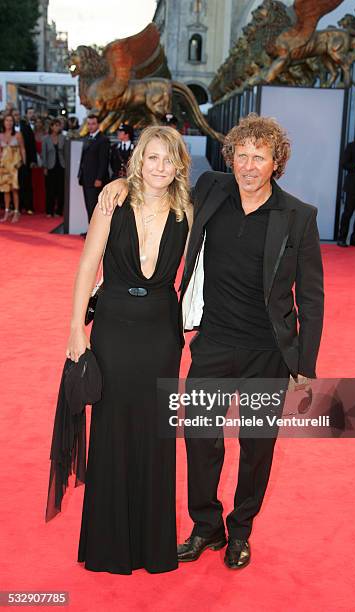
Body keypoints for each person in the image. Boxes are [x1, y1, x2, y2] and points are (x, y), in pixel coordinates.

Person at [98, 113, 325, 570]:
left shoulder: (299, 216)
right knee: (201, 439)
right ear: (231, 158)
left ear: (275, 162)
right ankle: (206, 527)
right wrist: (119, 185)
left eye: (258, 157)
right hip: (213, 342)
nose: (247, 165)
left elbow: (313, 295)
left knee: (257, 446)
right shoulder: (210, 191)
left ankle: (241, 531)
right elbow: (160, 186)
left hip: (269, 352)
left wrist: (305, 363)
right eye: (241, 155)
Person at [66, 125, 192, 574]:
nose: (159, 167)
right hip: (113, 328)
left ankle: (152, 544)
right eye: (151, 157)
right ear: (138, 160)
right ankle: (109, 544)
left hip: (161, 333)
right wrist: (75, 330)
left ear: (179, 164)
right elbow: (87, 265)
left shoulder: (187, 212)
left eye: (168, 159)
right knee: (113, 427)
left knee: (157, 433)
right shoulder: (112, 202)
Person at [77, 115, 110, 223]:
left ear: (98, 124)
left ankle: (95, 234)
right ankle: (90, 230)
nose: (90, 126)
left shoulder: (103, 140)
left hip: (96, 180)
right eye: (89, 124)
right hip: (86, 178)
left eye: (93, 124)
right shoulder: (86, 138)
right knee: (88, 206)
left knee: (95, 207)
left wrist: (99, 178)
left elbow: (103, 161)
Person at [0, 113, 26, 223]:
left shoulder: (18, 135)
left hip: (15, 165)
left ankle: (16, 211)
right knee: (6, 190)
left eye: (11, 121)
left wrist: (24, 163)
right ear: (3, 122)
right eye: (7, 120)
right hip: (4, 165)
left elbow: (23, 149)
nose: (9, 123)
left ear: (13, 122)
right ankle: (6, 211)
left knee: (15, 190)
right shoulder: (0, 135)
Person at [12, 108, 37, 214]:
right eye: (14, 115)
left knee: (27, 184)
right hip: (11, 163)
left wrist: (32, 160)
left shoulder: (26, 128)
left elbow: (32, 145)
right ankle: (16, 207)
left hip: (24, 161)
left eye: (17, 115)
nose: (16, 117)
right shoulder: (6, 129)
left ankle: (29, 207)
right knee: (13, 184)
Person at [42, 119, 66, 217]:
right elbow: (44, 154)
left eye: (58, 125)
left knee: (61, 190)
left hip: (61, 166)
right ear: (51, 127)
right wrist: (45, 167)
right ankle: (49, 211)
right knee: (50, 190)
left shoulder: (63, 138)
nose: (57, 127)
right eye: (55, 125)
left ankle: (59, 211)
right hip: (50, 166)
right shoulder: (46, 139)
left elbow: (66, 152)